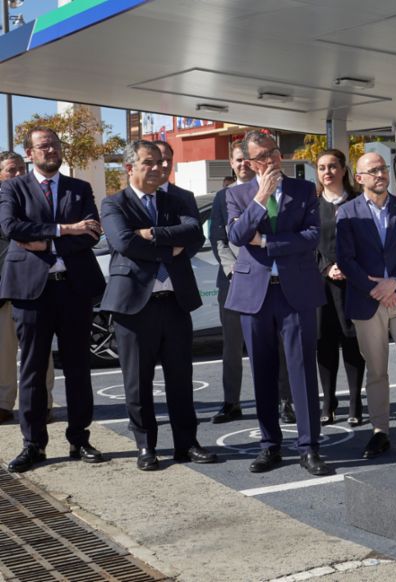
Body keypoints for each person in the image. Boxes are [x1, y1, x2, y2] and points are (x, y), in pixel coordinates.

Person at [100, 140, 217, 470]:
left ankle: (187, 444)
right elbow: (123, 242)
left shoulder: (178, 198)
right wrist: (170, 247)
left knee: (181, 378)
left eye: (161, 162)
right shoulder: (113, 204)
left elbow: (194, 233)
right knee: (137, 381)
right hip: (135, 308)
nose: (158, 168)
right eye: (148, 162)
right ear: (130, 167)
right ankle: (145, 446)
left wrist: (150, 233)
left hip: (175, 303)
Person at [0, 127, 107, 472]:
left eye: (55, 144)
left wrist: (48, 240)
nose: (51, 149)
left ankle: (80, 439)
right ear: (29, 153)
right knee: (32, 368)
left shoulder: (80, 188)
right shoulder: (12, 187)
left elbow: (91, 233)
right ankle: (34, 445)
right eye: (43, 145)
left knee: (78, 366)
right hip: (31, 291)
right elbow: (11, 228)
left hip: (73, 288)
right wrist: (65, 229)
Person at [225, 130, 331, 476]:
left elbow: (312, 237)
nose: (269, 161)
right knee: (263, 373)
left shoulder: (303, 190)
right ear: (249, 162)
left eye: (272, 153)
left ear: (280, 154)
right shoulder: (237, 194)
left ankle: (309, 447)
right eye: (260, 157)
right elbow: (238, 237)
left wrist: (268, 241)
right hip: (255, 295)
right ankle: (270, 446)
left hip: (295, 292)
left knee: (301, 372)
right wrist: (260, 197)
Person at [336, 152, 396, 461]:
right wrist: (376, 288)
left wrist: (395, 283)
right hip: (368, 301)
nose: (380, 174)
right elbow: (346, 260)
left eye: (383, 168)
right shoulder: (347, 213)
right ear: (360, 178)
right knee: (376, 371)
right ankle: (380, 432)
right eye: (372, 170)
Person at [208, 141, 291, 424]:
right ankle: (231, 402)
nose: (243, 164)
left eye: (247, 159)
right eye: (238, 160)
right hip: (234, 281)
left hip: (271, 278)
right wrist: (233, 270)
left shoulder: (274, 191)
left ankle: (284, 400)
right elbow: (219, 238)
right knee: (232, 346)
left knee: (278, 344)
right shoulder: (223, 197)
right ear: (231, 164)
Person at [0, 152, 56, 425]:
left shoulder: (40, 199)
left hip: (35, 286)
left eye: (22, 168)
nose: (18, 173)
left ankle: (42, 403)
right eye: (11, 170)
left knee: (39, 351)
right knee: (3, 352)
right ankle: (3, 403)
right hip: (2, 293)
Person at [314, 149, 366, 427]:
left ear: (344, 170)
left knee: (352, 341)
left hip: (352, 285)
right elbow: (307, 244)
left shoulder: (359, 202)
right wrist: (326, 267)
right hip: (320, 286)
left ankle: (356, 402)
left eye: (333, 166)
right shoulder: (311, 206)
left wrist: (347, 266)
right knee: (324, 343)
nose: (327, 172)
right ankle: (328, 402)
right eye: (322, 167)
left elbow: (368, 243)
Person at [154, 141, 200, 218]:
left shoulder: (186, 197)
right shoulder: (136, 197)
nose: (166, 165)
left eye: (169, 160)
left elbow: (195, 229)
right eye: (161, 160)